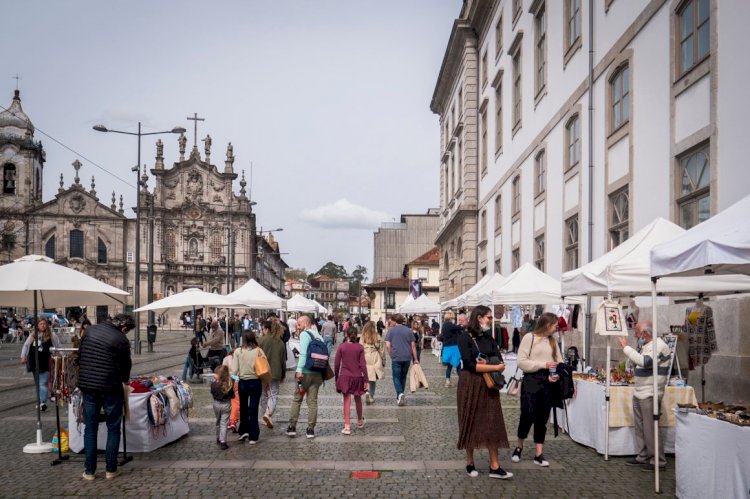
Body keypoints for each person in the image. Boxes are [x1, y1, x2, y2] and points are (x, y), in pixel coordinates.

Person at [457, 305, 513, 479]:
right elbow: (470, 364)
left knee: (492, 422)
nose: (491, 320)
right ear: (479, 317)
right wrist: (495, 366)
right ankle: (469, 462)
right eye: (488, 317)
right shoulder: (464, 337)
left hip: (489, 384)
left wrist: (498, 366)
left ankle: (494, 466)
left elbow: (499, 357)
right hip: (470, 383)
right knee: (469, 420)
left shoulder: (489, 337)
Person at [77, 314, 134, 480]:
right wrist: (124, 379)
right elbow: (125, 365)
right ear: (124, 328)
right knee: (113, 427)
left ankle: (89, 471)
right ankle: (110, 469)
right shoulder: (121, 339)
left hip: (88, 386)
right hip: (110, 386)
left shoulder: (89, 330)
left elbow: (80, 356)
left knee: (90, 427)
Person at [617, 320, 670, 470]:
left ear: (645, 333)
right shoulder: (646, 345)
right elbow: (638, 362)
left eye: (637, 332)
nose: (635, 335)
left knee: (650, 428)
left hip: (650, 393)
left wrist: (626, 347)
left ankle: (658, 461)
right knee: (641, 428)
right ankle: (643, 456)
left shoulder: (659, 346)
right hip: (640, 392)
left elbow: (645, 362)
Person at [512, 312, 563, 467]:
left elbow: (559, 361)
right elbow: (521, 362)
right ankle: (519, 446)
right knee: (527, 414)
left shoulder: (553, 341)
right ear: (547, 324)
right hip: (531, 381)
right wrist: (543, 365)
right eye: (555, 325)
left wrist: (557, 375)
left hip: (548, 382)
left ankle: (538, 453)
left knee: (542, 417)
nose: (556, 327)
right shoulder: (530, 338)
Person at [286, 315, 324, 439]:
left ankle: (292, 426)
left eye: (299, 324)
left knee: (297, 399)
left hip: (305, 373)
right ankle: (310, 429)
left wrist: (299, 370)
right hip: (317, 373)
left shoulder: (305, 335)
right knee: (313, 402)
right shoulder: (319, 336)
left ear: (306, 324)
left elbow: (302, 354)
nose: (297, 327)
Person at [20, 318, 61, 411]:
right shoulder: (33, 335)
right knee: (38, 383)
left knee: (43, 383)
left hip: (46, 362)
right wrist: (23, 356)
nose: (43, 325)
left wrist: (60, 357)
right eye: (41, 324)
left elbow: (58, 346)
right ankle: (40, 401)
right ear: (37, 325)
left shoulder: (52, 335)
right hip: (34, 363)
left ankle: (42, 402)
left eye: (44, 324)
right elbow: (26, 345)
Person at [230, 331, 263, 445]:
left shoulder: (238, 351)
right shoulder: (258, 350)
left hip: (243, 382)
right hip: (255, 381)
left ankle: (243, 430)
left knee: (243, 407)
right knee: (254, 409)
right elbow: (265, 365)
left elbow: (234, 370)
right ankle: (253, 435)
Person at [335, 328, 368, 435]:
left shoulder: (342, 347)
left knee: (347, 401)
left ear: (346, 335)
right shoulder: (360, 347)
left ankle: (347, 426)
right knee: (358, 398)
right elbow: (363, 365)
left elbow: (336, 364)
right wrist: (366, 380)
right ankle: (360, 421)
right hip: (357, 376)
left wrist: (337, 377)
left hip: (345, 376)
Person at [384, 314, 419, 406]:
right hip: (407, 357)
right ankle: (400, 396)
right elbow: (413, 346)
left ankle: (400, 394)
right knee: (403, 376)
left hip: (396, 356)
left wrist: (391, 354)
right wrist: (415, 359)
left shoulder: (391, 331)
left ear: (395, 321)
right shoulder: (408, 330)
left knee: (396, 377)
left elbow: (387, 345)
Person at [258, 320, 286, 429]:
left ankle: (265, 414)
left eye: (263, 329)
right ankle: (268, 414)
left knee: (263, 394)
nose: (262, 331)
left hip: (262, 371)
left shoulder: (261, 340)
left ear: (267, 329)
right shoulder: (280, 342)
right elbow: (283, 360)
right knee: (273, 394)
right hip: (276, 371)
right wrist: (283, 373)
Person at [360, 321, 385, 405]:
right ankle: (371, 396)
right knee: (373, 379)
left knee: (366, 377)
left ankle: (366, 391)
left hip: (365, 356)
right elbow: (382, 350)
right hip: (375, 356)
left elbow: (360, 348)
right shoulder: (377, 336)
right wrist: (383, 361)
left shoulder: (363, 336)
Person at [211, 365, 234, 450]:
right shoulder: (229, 384)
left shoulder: (213, 385)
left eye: (215, 373)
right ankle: (223, 442)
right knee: (224, 423)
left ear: (219, 375)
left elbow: (213, 393)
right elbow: (232, 395)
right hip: (226, 405)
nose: (214, 374)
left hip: (216, 404)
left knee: (218, 421)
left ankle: (218, 438)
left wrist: (215, 381)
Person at [441, 311, 462, 387]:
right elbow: (460, 328)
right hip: (453, 347)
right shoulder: (450, 325)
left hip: (446, 347)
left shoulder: (444, 325)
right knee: (458, 364)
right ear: (451, 318)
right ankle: (462, 380)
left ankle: (447, 381)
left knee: (449, 365)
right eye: (453, 318)